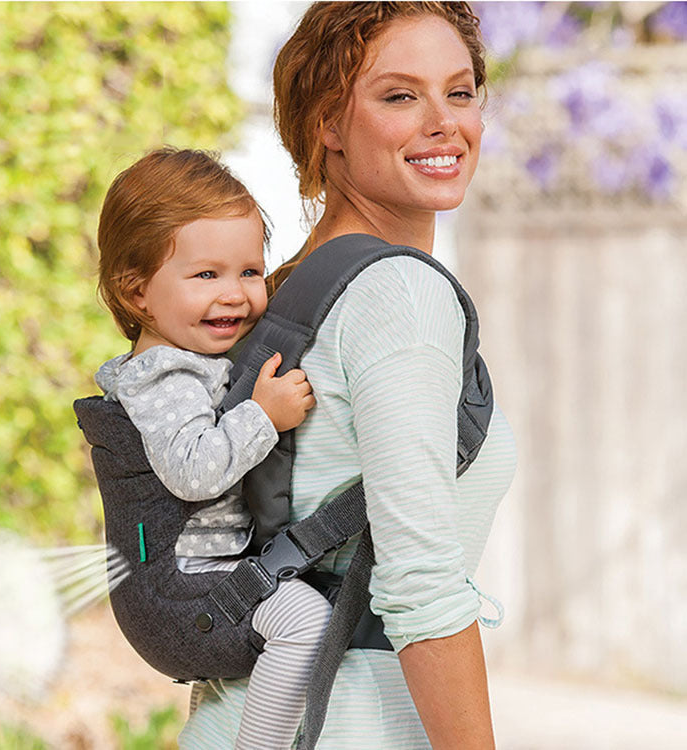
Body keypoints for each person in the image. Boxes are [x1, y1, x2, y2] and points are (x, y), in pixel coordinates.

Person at [179, 2, 516, 749]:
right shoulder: (400, 296)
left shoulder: (291, 287)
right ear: (329, 123)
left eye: (459, 92)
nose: (444, 121)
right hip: (347, 724)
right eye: (400, 95)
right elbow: (420, 588)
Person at [94, 147, 331, 750]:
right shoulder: (165, 377)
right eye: (207, 275)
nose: (235, 294)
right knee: (304, 621)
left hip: (198, 583)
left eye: (249, 272)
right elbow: (194, 471)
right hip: (179, 591)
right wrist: (265, 415)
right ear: (138, 291)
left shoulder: (191, 358)